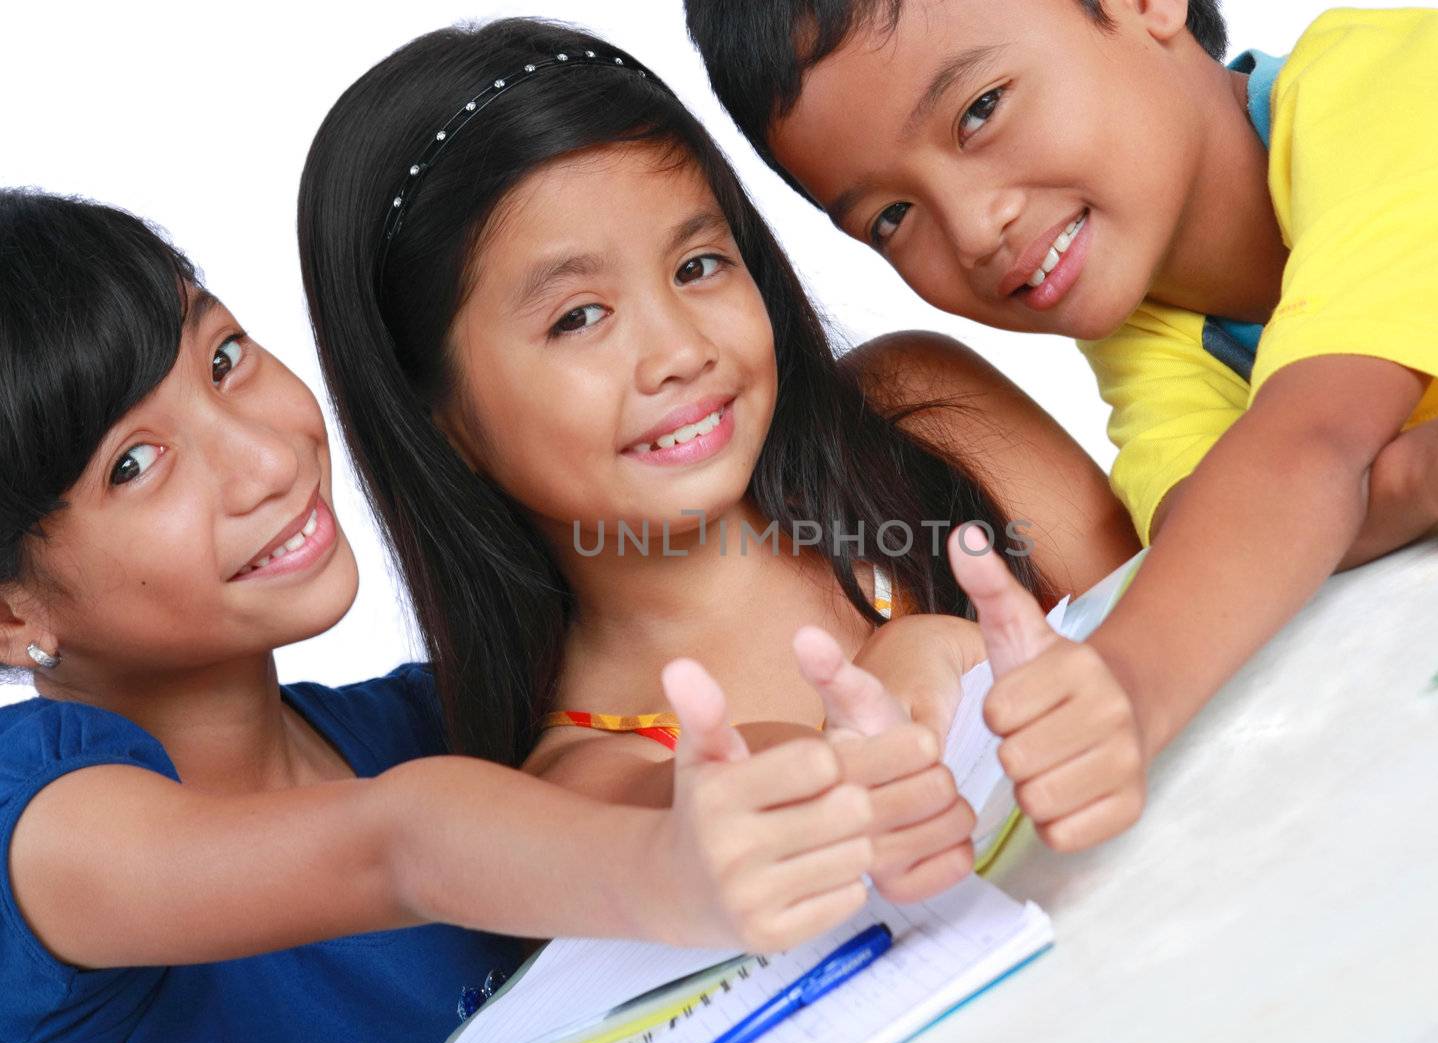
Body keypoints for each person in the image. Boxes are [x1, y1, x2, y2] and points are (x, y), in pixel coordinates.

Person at [0, 189, 890, 1043]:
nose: (267, 459)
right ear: (11, 611)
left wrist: (797, 767)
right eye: (136, 462)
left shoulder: (435, 717)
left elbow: (648, 777)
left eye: (225, 357)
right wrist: (661, 862)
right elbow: (397, 846)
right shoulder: (37, 821)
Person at [685, 0, 1438, 843]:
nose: (971, 229)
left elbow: (1303, 456)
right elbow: (1222, 525)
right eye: (891, 216)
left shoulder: (1387, 94)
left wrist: (1121, 686)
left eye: (979, 110)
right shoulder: (1156, 330)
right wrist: (1427, 472)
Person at [297, 17, 1141, 886]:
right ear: (439, 417)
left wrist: (979, 659)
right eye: (578, 317)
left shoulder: (925, 413)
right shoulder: (584, 780)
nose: (680, 351)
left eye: (698, 265)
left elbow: (1175, 619)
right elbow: (750, 797)